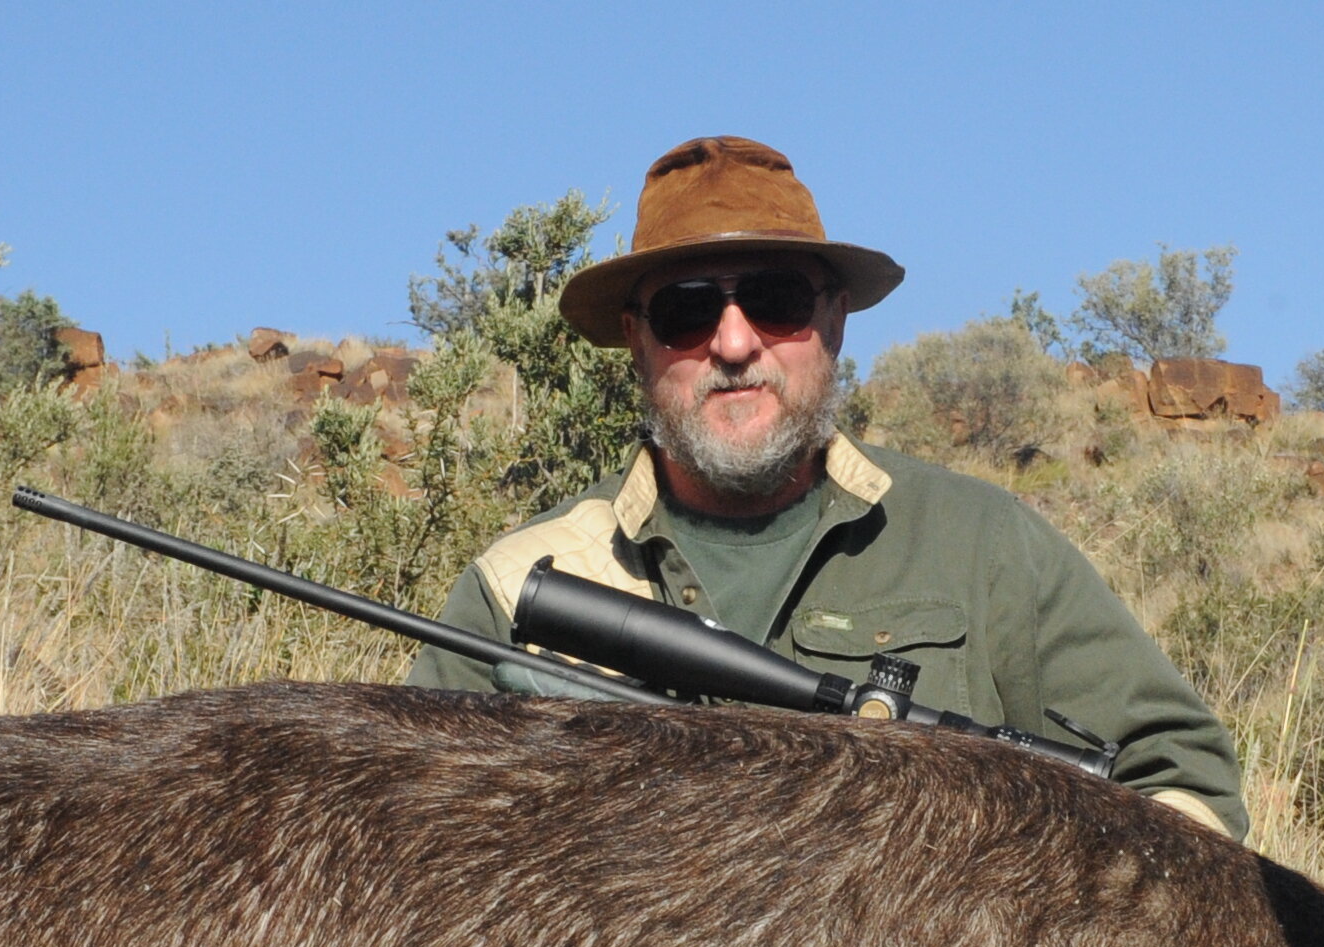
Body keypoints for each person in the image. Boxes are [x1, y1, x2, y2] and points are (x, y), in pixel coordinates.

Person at [405, 135, 1248, 837]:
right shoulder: (517, 587)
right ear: (636, 340)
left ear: (835, 319)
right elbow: (404, 860)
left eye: (776, 300)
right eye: (688, 311)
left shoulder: (983, 547)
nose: (734, 344)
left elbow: (1181, 778)